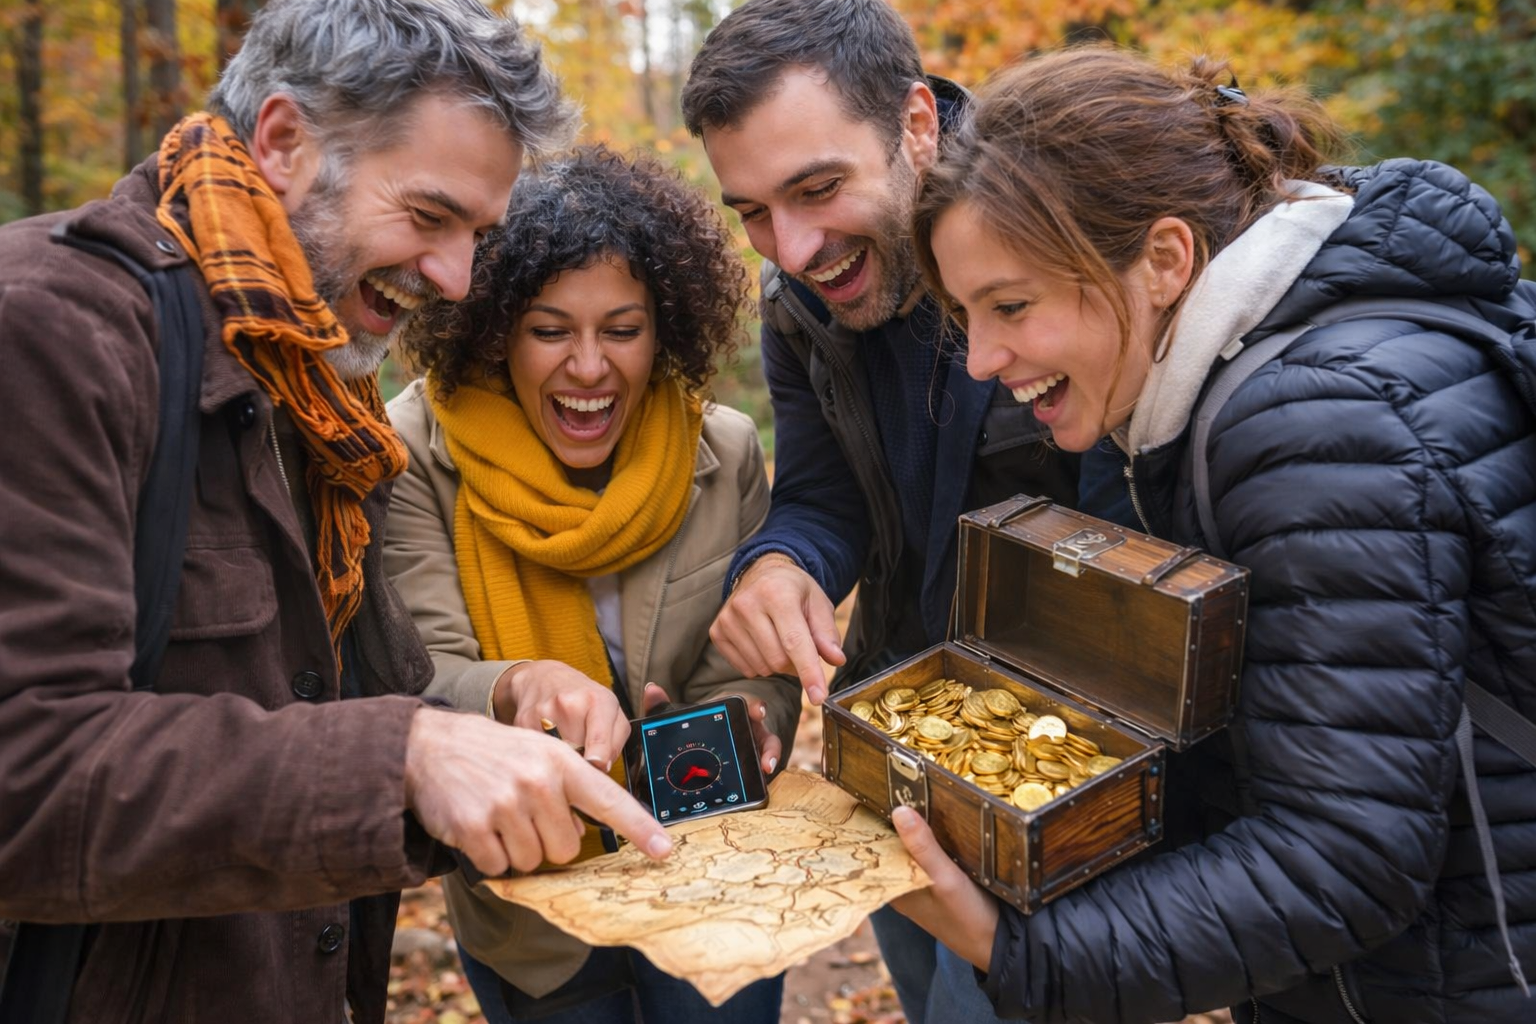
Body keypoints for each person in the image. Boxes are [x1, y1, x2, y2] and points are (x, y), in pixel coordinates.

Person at [0, 3, 676, 1022]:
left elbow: (321, 709)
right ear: (282, 141)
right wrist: (406, 753)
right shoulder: (51, 330)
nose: (454, 279)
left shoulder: (325, 391)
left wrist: (493, 732)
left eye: (478, 236)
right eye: (429, 216)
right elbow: (26, 772)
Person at [891, 44, 1536, 1024]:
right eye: (967, 315)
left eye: (1011, 306)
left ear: (1163, 260)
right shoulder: (1249, 372)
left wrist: (1021, 949)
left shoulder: (1311, 421)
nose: (982, 359)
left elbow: (1346, 857)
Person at [680, 4, 1124, 1019]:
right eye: (751, 209)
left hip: (1047, 763)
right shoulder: (799, 307)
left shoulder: (1054, 239)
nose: (790, 248)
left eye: (818, 188)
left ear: (917, 126)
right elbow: (826, 492)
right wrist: (782, 561)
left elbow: (1133, 534)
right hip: (893, 742)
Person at [383, 144, 801, 1024]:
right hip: (535, 911)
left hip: (714, 876)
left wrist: (747, 717)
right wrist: (514, 687)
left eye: (622, 329)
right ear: (494, 329)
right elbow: (411, 675)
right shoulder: (413, 452)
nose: (587, 368)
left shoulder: (722, 450)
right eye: (548, 330)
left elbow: (756, 663)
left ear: (666, 328)